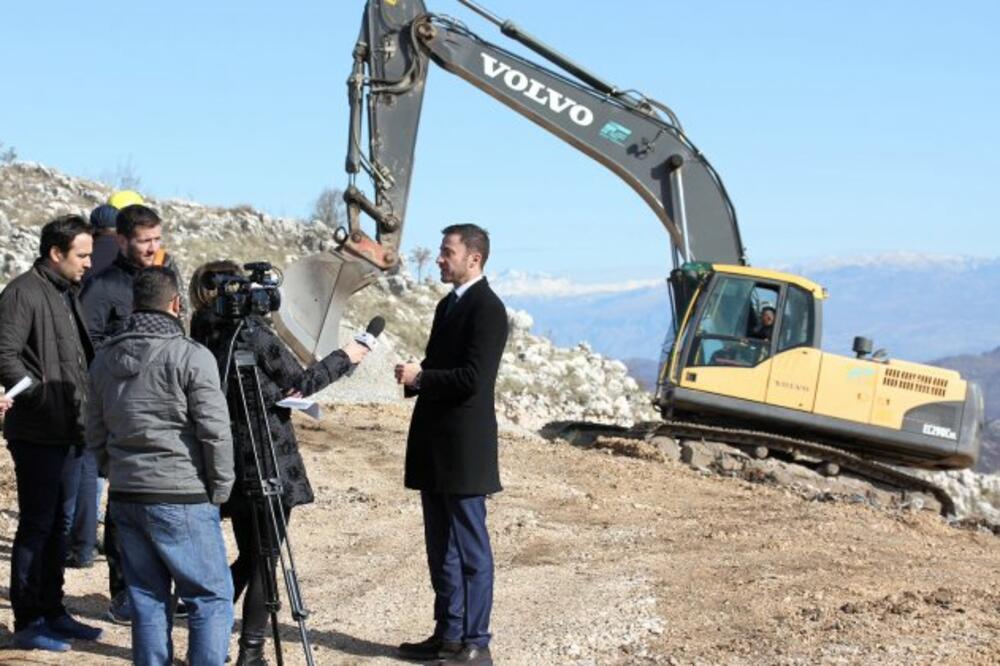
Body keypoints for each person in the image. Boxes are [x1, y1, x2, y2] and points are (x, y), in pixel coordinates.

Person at [189, 259, 371, 665]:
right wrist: (346, 356)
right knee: (265, 558)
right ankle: (251, 651)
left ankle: (206, 624)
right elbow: (302, 381)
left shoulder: (202, 332)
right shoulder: (251, 333)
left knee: (250, 552)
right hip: (267, 457)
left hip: (227, 459)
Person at [86, 267, 235, 665]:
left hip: (127, 493)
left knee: (147, 597)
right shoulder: (191, 355)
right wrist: (220, 488)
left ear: (133, 305)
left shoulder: (104, 358)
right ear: (176, 304)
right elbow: (215, 431)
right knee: (209, 597)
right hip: (182, 493)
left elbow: (94, 430)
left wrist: (115, 470)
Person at [394, 224, 509, 666]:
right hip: (435, 447)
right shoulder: (448, 305)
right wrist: (414, 375)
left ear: (473, 258)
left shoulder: (488, 309)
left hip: (464, 450)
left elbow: (473, 379)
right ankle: (448, 634)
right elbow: (441, 365)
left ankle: (477, 643)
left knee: (471, 550)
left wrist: (421, 377)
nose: (439, 259)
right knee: (440, 547)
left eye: (447, 252)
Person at [0, 215, 103, 652]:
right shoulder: (23, 292)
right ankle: (28, 619)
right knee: (38, 524)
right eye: (82, 255)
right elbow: (4, 356)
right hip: (38, 433)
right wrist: (39, 398)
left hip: (71, 431)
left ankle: (53, 610)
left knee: (60, 524)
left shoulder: (66, 292)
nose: (89, 263)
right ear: (56, 253)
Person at [80, 202, 185, 622]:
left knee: (168, 498)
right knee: (123, 501)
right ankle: (124, 591)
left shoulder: (165, 279)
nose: (153, 248)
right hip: (122, 406)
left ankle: (168, 587)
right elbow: (86, 346)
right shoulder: (102, 287)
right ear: (122, 240)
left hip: (167, 405)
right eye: (144, 241)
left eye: (157, 239)